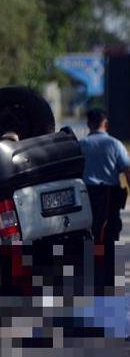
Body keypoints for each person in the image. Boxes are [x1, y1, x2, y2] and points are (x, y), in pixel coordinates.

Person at [79, 109, 130, 291]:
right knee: (109, 237)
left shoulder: (80, 145)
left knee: (87, 236)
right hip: (109, 198)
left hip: (86, 197)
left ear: (88, 125)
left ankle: (91, 278)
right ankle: (108, 280)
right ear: (105, 124)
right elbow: (127, 170)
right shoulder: (115, 144)